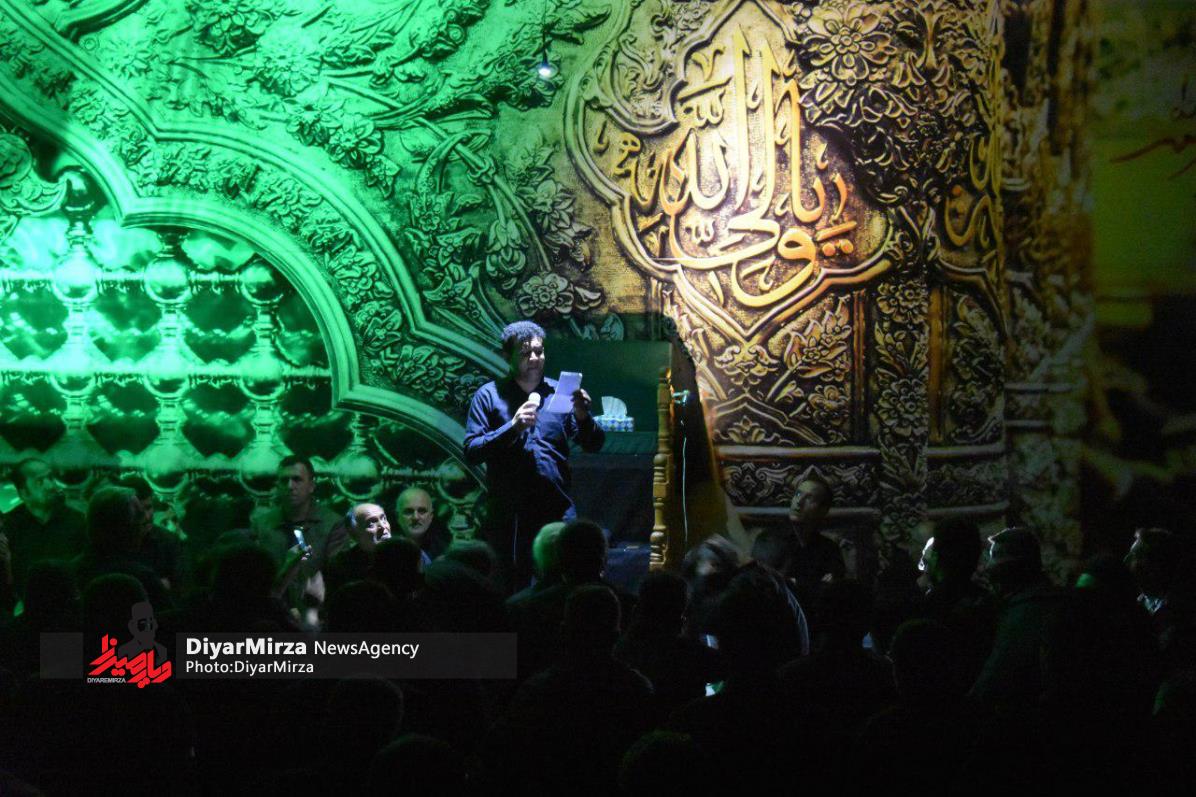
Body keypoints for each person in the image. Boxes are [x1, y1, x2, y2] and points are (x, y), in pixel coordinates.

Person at [463, 320, 604, 589]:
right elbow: (472, 451)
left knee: (565, 581)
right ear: (507, 356)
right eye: (525, 353)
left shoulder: (559, 393)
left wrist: (583, 416)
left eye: (539, 351)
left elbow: (593, 444)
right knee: (513, 584)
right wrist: (513, 427)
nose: (534, 358)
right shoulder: (489, 396)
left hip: (557, 507)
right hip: (511, 512)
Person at [2, 457, 87, 604]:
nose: (50, 485)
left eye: (51, 478)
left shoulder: (78, 521)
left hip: (70, 606)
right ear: (23, 493)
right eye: (40, 481)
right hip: (24, 608)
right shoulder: (9, 527)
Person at [395, 487, 448, 563]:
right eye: (409, 511)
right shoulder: (384, 551)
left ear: (431, 516)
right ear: (397, 517)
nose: (415, 517)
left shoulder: (445, 552)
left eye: (422, 511)